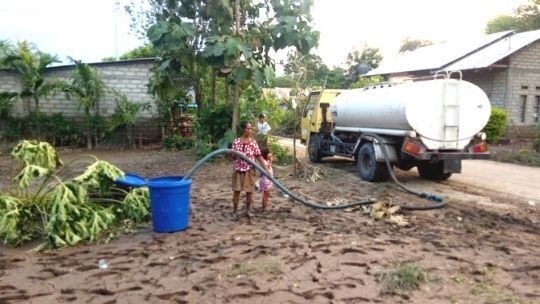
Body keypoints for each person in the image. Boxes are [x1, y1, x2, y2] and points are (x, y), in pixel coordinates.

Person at [231, 121, 268, 218]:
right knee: (236, 191)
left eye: (251, 128)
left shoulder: (253, 143)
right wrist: (231, 154)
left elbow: (259, 156)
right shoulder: (236, 142)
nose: (250, 130)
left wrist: (265, 169)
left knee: (249, 192)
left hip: (249, 170)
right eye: (248, 128)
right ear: (243, 129)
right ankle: (235, 211)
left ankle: (247, 211)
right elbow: (233, 157)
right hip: (238, 170)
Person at [258, 148, 273, 212]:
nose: (270, 154)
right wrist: (271, 161)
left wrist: (270, 160)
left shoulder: (266, 161)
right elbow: (268, 169)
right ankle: (264, 207)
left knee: (266, 194)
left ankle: (264, 206)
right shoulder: (264, 162)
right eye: (269, 153)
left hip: (268, 180)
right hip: (265, 180)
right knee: (265, 194)